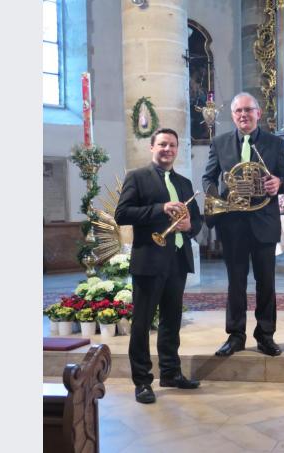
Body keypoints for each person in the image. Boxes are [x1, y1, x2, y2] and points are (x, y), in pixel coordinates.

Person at [202, 92, 284, 357]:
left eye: (248, 110)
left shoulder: (274, 144)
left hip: (264, 221)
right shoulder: (219, 143)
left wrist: (278, 183)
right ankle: (236, 335)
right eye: (238, 111)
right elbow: (208, 177)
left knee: (266, 282)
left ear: (258, 113)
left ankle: (265, 335)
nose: (243, 115)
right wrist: (218, 197)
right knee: (235, 283)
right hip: (232, 223)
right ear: (233, 116)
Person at [115, 127, 203, 404]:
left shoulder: (185, 183)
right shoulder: (137, 177)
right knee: (141, 324)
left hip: (177, 261)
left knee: (171, 321)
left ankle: (170, 372)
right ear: (152, 148)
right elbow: (122, 214)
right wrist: (160, 209)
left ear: (177, 150)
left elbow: (197, 221)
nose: (168, 149)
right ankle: (142, 381)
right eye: (162, 144)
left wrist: (190, 226)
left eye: (172, 146)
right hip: (149, 261)